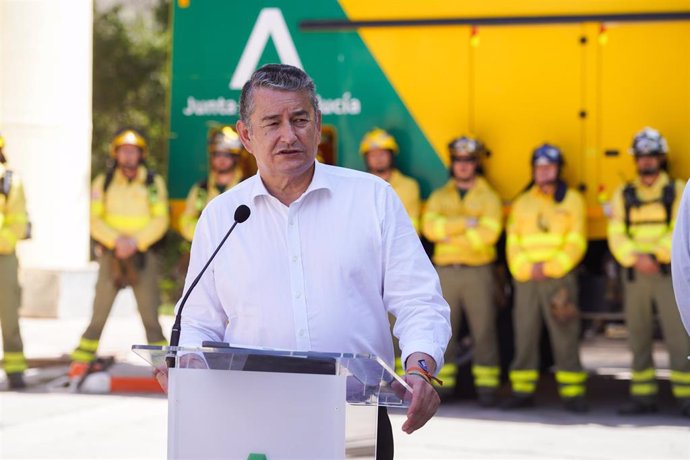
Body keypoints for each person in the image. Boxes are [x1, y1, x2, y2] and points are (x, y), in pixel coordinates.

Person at [162, 64, 451, 458]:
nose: (289, 135)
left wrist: (420, 368)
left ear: (317, 126)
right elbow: (197, 319)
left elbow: (419, 300)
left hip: (356, 417)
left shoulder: (372, 199)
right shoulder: (224, 214)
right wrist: (187, 367)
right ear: (246, 135)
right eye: (272, 123)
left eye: (300, 119)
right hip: (250, 416)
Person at [70, 129, 169, 374]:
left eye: (133, 151)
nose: (128, 156)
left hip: (142, 257)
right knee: (98, 313)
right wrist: (118, 243)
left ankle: (166, 371)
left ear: (140, 155)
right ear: (116, 154)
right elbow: (94, 219)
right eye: (124, 151)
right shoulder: (102, 183)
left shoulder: (152, 183)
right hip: (111, 256)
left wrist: (135, 243)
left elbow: (161, 220)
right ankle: (80, 364)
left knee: (150, 317)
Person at [610, 127, 690, 416]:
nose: (646, 161)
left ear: (661, 158)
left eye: (651, 155)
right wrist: (635, 258)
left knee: (679, 336)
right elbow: (616, 231)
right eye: (641, 156)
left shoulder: (678, 190)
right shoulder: (624, 193)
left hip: (667, 275)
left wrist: (656, 255)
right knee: (638, 336)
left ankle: (686, 397)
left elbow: (680, 232)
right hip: (636, 276)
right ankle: (643, 397)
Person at [503, 143, 588, 413]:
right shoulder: (523, 201)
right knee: (525, 335)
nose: (544, 172)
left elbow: (577, 240)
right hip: (527, 279)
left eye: (549, 167)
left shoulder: (572, 199)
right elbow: (513, 240)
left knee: (564, 334)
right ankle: (522, 391)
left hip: (557, 279)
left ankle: (573, 395)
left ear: (558, 169)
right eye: (539, 168)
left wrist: (551, 267)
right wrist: (524, 268)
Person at [421, 136, 503, 405]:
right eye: (458, 160)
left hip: (477, 272)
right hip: (445, 272)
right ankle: (443, 389)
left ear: (476, 164)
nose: (463, 166)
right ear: (452, 164)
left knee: (484, 331)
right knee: (445, 331)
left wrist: (449, 232)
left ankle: (488, 390)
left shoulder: (488, 196)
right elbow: (430, 230)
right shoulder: (439, 196)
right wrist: (467, 224)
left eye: (468, 161)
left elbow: (489, 235)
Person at [179, 125, 246, 242]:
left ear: (235, 158)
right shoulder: (201, 189)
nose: (221, 160)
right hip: (205, 249)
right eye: (217, 154)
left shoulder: (246, 188)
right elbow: (186, 221)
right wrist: (206, 237)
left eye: (227, 155)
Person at [0, 133, 30, 389]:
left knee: (9, 314)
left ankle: (15, 370)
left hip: (4, 255)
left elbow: (19, 222)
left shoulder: (10, 181)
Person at [359, 128, 421, 232]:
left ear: (391, 155)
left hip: (399, 245)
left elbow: (412, 226)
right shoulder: (359, 186)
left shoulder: (409, 185)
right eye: (373, 155)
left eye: (382, 154)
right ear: (366, 158)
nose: (378, 158)